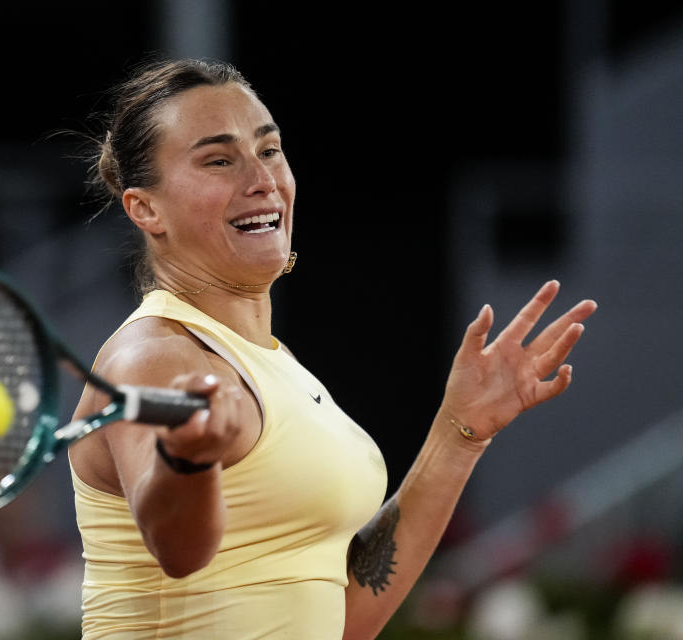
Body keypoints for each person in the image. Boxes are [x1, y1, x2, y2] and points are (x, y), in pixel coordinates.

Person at [66, 58, 597, 639]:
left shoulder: (275, 363)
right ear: (145, 208)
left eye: (269, 150)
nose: (261, 178)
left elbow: (349, 617)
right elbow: (177, 549)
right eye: (219, 160)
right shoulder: (156, 356)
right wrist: (187, 463)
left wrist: (459, 431)